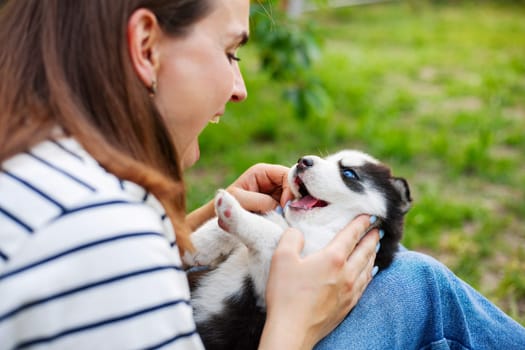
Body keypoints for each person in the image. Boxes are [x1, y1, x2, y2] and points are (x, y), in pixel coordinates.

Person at [0, 1, 523, 349]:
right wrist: (295, 323)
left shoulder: (44, 173)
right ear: (145, 47)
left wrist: (201, 222)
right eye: (230, 52)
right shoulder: (97, 232)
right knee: (414, 282)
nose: (240, 87)